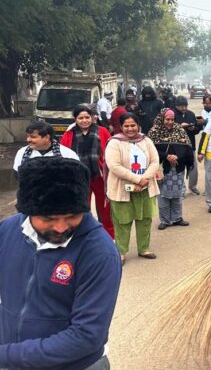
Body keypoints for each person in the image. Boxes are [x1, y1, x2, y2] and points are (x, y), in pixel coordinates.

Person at [0, 157, 121, 370]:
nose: (60, 228)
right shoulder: (7, 231)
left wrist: (6, 356)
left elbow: (86, 335)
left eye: (72, 216)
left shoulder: (100, 253)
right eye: (48, 219)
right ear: (28, 211)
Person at [105, 113, 161, 264]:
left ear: (138, 125)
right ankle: (121, 252)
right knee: (122, 222)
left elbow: (155, 161)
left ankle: (144, 249)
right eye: (126, 126)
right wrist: (137, 179)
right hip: (122, 189)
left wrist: (145, 179)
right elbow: (114, 166)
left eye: (133, 125)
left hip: (145, 187)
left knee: (145, 219)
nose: (130, 129)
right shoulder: (114, 143)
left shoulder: (146, 140)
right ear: (121, 127)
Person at [60, 105, 114, 239]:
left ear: (92, 118)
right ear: (75, 119)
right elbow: (63, 154)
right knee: (82, 206)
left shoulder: (102, 131)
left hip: (100, 175)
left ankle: (109, 235)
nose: (84, 120)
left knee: (105, 207)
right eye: (81, 118)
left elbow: (111, 150)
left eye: (87, 117)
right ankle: (84, 235)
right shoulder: (69, 134)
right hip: (79, 177)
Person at [148, 108, 194, 230]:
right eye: (167, 119)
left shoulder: (179, 129)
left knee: (177, 194)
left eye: (172, 119)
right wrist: (166, 156)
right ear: (162, 118)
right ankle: (165, 220)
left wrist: (177, 156)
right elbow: (149, 150)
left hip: (177, 167)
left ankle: (177, 218)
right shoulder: (154, 131)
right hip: (161, 169)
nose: (170, 122)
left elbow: (187, 147)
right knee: (163, 195)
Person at [13, 121, 78, 175]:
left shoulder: (68, 154)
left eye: (33, 137)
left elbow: (76, 176)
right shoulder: (22, 153)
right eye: (28, 136)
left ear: (47, 137)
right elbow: (17, 174)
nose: (28, 140)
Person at [173, 96, 203, 195]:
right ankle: (181, 189)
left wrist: (193, 129)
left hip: (190, 146)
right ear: (176, 106)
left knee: (193, 168)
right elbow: (168, 130)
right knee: (180, 169)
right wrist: (180, 127)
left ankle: (193, 186)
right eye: (181, 106)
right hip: (177, 147)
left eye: (185, 106)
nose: (184, 108)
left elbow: (197, 129)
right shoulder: (172, 115)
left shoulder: (191, 114)